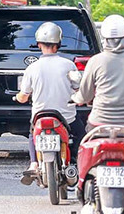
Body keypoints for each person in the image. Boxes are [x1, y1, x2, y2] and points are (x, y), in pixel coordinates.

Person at [17, 22, 85, 184]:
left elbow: (24, 97)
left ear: (39, 44)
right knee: (80, 135)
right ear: (59, 44)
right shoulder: (68, 65)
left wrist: (18, 97)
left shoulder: (32, 68)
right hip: (66, 117)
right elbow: (78, 89)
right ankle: (77, 163)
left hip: (40, 117)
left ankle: (34, 163)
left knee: (32, 134)